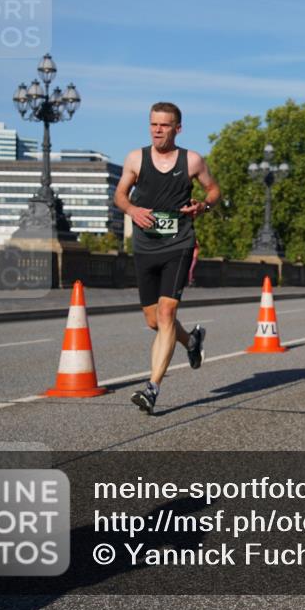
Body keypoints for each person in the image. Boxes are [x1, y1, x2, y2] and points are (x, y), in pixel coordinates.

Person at [114, 102, 221, 415]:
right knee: (154, 321)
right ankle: (191, 342)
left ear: (178, 128)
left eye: (164, 125)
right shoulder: (136, 158)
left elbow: (214, 191)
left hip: (179, 243)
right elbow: (120, 195)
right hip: (145, 246)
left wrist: (204, 206)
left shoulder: (192, 160)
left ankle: (152, 389)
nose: (158, 130)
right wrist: (132, 209)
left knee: (166, 314)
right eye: (153, 125)